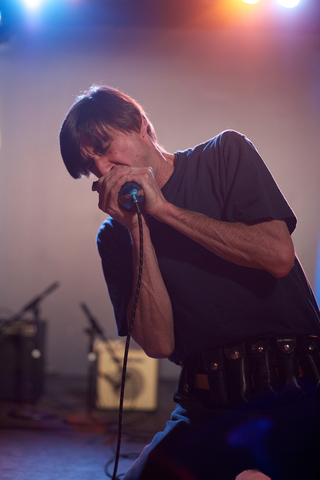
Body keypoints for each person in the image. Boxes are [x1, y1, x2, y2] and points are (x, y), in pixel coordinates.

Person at [59, 85, 320, 480]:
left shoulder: (224, 154)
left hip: (297, 392)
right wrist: (137, 228)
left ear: (140, 125)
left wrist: (163, 210)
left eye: (106, 146)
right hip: (205, 405)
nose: (102, 169)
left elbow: (278, 256)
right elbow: (160, 344)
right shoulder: (115, 236)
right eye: (89, 165)